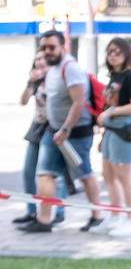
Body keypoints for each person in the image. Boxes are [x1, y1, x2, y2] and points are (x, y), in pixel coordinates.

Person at [21, 29, 105, 234]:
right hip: (53, 132)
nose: (47, 51)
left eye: (51, 47)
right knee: (45, 174)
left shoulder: (71, 68)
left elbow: (78, 103)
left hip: (74, 133)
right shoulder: (52, 70)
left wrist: (66, 129)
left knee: (84, 174)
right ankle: (44, 220)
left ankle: (97, 215)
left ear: (62, 47)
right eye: (43, 48)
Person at [96, 37, 131, 238]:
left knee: (125, 176)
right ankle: (115, 216)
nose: (113, 55)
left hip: (125, 129)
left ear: (126, 53)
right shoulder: (115, 76)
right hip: (111, 130)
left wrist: (112, 112)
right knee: (108, 175)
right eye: (109, 52)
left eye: (117, 51)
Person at [15, 51, 67, 227]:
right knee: (29, 172)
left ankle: (59, 212)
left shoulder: (56, 81)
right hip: (37, 128)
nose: (39, 63)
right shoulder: (36, 82)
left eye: (42, 60)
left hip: (53, 129)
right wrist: (31, 82)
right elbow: (23, 101)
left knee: (53, 175)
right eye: (36, 60)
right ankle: (31, 211)